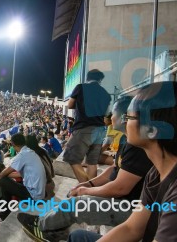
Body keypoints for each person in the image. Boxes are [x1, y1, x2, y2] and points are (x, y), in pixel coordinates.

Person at [68, 81, 177, 242]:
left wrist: (86, 190)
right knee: (78, 237)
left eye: (130, 116)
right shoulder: (155, 173)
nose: (124, 121)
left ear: (152, 130)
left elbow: (120, 188)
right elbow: (132, 228)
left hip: (124, 204)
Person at [17, 96, 153, 242]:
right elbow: (114, 169)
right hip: (120, 199)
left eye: (113, 114)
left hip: (129, 208)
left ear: (124, 117)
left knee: (76, 204)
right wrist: (89, 184)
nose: (110, 118)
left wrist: (86, 191)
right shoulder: (126, 141)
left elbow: (121, 188)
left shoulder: (138, 148)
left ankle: (42, 226)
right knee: (74, 197)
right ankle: (52, 228)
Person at [63, 69, 111, 182]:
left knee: (72, 158)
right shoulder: (106, 94)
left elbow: (70, 105)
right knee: (92, 162)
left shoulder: (81, 87)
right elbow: (106, 113)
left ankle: (85, 187)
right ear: (100, 79)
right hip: (100, 130)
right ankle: (90, 192)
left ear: (88, 78)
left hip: (84, 128)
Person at [0, 133, 46, 222]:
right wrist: (6, 175)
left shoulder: (22, 155)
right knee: (6, 183)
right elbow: (21, 174)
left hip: (33, 197)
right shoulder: (29, 152)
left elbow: (5, 172)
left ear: (13, 144)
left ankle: (3, 215)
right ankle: (4, 214)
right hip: (39, 193)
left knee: (2, 180)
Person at [25, 135, 55, 199]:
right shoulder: (43, 150)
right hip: (50, 181)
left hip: (44, 186)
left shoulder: (32, 154)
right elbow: (51, 161)